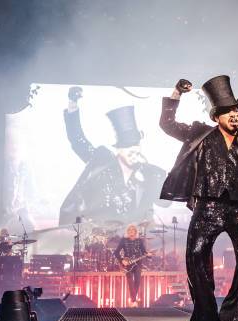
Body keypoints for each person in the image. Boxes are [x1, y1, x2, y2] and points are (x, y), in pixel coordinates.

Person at [159, 76, 238, 321]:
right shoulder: (200, 133)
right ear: (217, 117)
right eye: (229, 112)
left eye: (236, 111)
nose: (234, 115)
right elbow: (168, 124)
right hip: (208, 205)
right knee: (197, 258)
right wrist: (176, 93)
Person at [60, 86, 169, 225]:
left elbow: (165, 203)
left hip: (135, 239)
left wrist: (169, 182)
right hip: (102, 237)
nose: (134, 154)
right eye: (129, 149)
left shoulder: (149, 174)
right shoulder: (101, 161)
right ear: (118, 149)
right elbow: (78, 140)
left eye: (136, 149)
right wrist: (72, 104)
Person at [114, 224, 151, 307]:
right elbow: (116, 252)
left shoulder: (140, 241)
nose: (131, 231)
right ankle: (134, 301)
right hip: (127, 264)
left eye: (133, 230)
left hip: (138, 263)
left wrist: (148, 255)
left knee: (137, 281)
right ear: (127, 232)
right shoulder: (123, 240)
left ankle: (133, 301)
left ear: (135, 231)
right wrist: (122, 260)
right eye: (129, 230)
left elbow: (144, 252)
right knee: (130, 282)